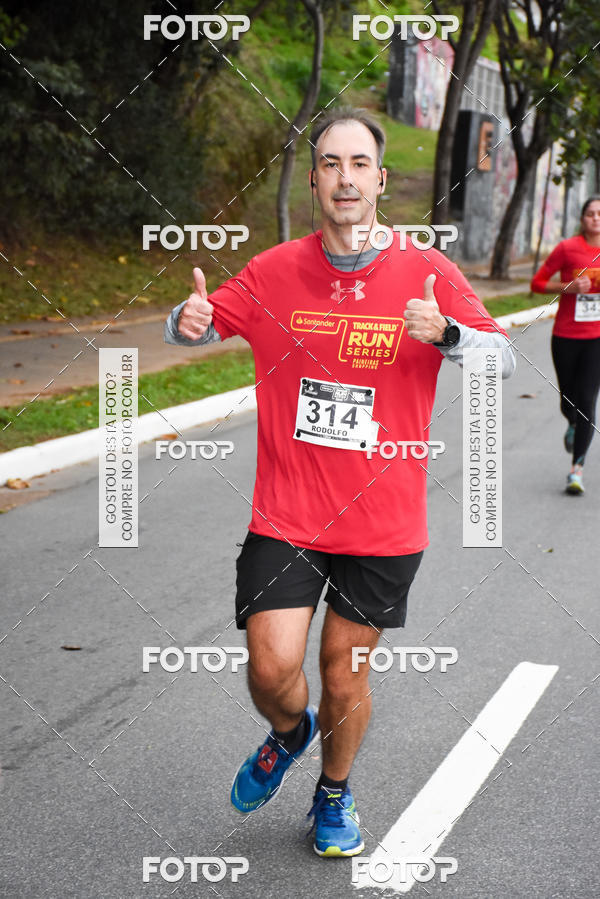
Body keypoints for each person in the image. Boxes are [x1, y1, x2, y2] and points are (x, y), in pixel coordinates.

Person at [164, 107, 515, 858]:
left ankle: (334, 792)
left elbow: (505, 357)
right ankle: (288, 733)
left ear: (380, 180)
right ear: (317, 179)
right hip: (288, 511)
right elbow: (200, 319)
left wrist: (448, 335)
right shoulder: (275, 270)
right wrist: (181, 319)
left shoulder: (427, 271)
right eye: (330, 163)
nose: (345, 177)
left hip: (382, 522)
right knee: (271, 665)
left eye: (359, 164)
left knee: (344, 670)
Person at [531, 195, 600, 495]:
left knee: (587, 401)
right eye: (590, 214)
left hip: (596, 339)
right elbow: (537, 283)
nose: (596, 218)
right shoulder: (567, 249)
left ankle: (577, 470)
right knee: (568, 400)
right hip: (565, 336)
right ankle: (571, 421)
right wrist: (568, 287)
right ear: (582, 218)